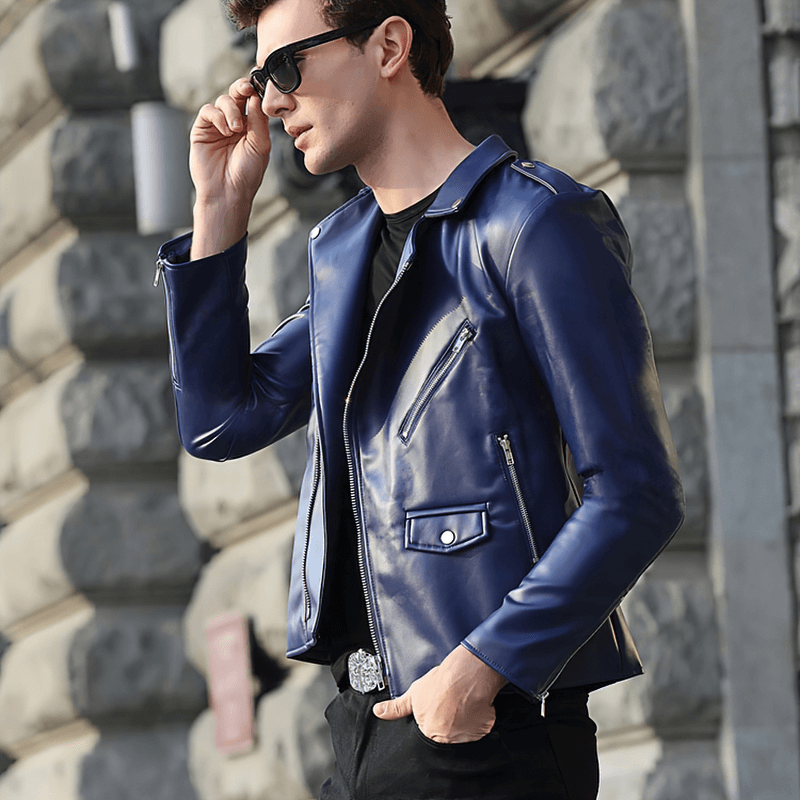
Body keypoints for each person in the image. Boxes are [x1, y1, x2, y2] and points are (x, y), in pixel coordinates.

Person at [155, 0, 685, 797]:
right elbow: (223, 420)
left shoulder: (532, 225)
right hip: (365, 729)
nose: (269, 100)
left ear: (390, 45)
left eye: (287, 67)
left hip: (486, 731)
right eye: (259, 76)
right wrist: (217, 212)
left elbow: (637, 495)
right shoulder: (344, 253)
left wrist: (479, 672)